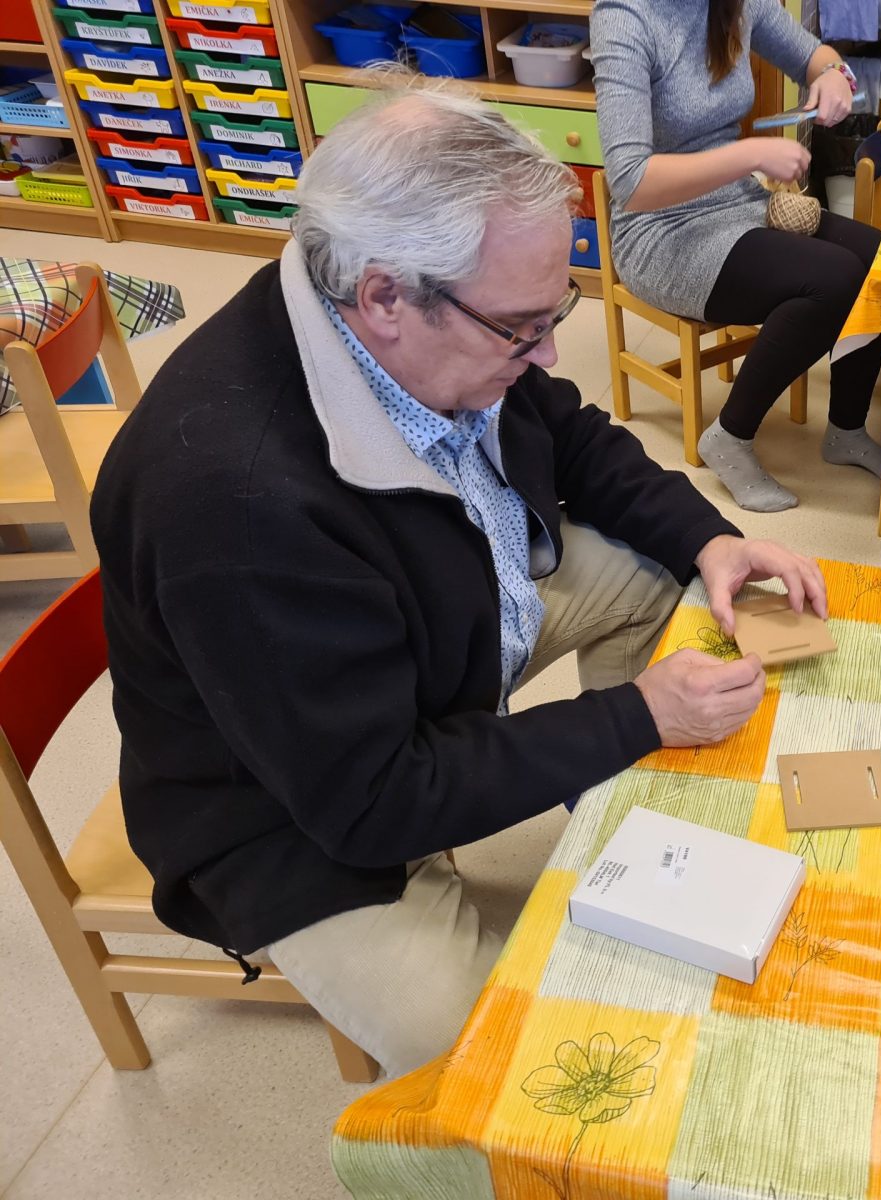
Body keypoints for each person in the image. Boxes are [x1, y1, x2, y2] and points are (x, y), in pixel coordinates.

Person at [89, 82, 826, 1077]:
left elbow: (567, 433)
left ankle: (626, 835)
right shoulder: (239, 507)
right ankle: (608, 800)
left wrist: (707, 540)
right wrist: (638, 717)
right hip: (293, 814)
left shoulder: (396, 313)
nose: (548, 350)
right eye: (522, 327)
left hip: (431, 637)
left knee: (660, 579)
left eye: (555, 311)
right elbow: (371, 800)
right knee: (493, 1064)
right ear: (386, 296)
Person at [591, 0, 881, 513]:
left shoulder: (738, 3)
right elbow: (631, 182)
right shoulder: (624, 18)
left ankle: (847, 429)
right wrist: (752, 154)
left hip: (739, 203)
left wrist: (832, 74)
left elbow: (813, 57)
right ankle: (730, 436)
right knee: (833, 279)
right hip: (661, 230)